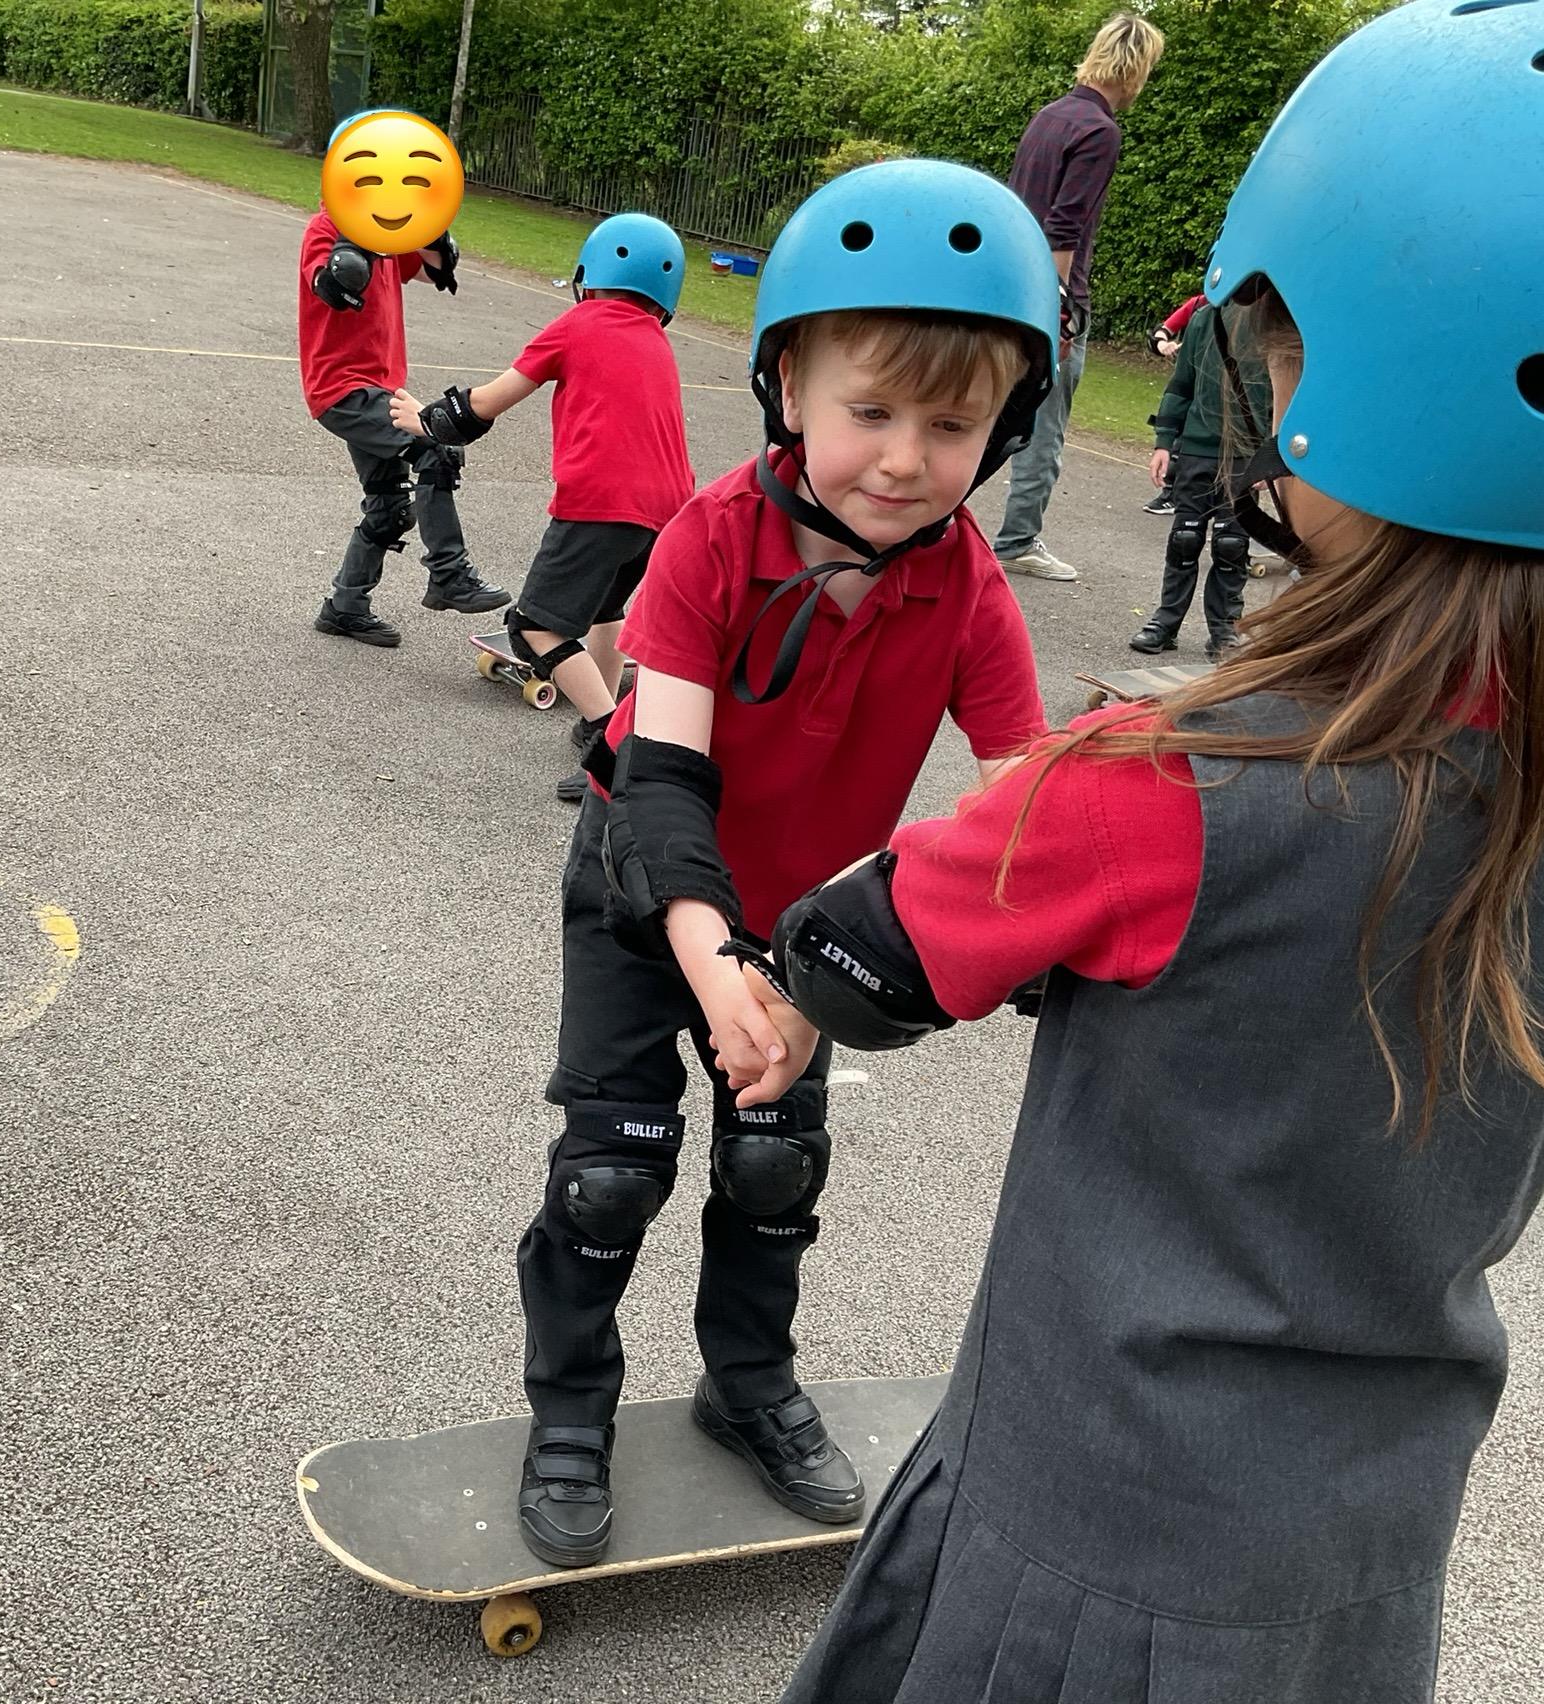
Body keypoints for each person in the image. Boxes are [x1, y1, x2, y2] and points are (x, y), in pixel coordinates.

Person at [736, 3, 1544, 1697]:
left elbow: (857, 959)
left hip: (1080, 1545)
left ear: (1336, 376)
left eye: (1273, 351)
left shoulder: (1168, 781)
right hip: (1354, 1568)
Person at [508, 159, 1058, 1571]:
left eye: (951, 425)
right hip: (646, 893)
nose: (904, 459)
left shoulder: (967, 588)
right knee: (610, 1173)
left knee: (772, 1167)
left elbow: (1021, 805)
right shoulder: (710, 540)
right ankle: (570, 1408)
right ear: (788, 388)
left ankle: (746, 1383)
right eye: (870, 412)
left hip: (801, 930)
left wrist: (831, 982)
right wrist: (717, 966)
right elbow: (662, 783)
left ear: (1002, 431)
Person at [393, 214, 695, 802]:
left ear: (588, 276)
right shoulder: (656, 341)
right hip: (667, 509)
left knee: (532, 628)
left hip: (600, 502)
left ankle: (615, 749)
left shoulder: (579, 323)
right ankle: (601, 719)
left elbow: (485, 404)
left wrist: (425, 421)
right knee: (605, 609)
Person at [296, 112, 509, 649]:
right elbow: (330, 281)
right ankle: (449, 574)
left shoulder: (386, 236)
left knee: (390, 505)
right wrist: (351, 254)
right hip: (343, 389)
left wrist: (433, 233)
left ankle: (345, 607)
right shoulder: (327, 229)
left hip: (379, 389)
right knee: (435, 446)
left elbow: (433, 264)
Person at [989, 11, 1166, 582]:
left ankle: (941, 516)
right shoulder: (1100, 131)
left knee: (991, 410)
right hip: (1049, 294)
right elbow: (1064, 227)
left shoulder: (1050, 116)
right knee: (1044, 426)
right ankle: (1018, 540)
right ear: (1136, 69)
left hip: (1010, 288)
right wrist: (1060, 309)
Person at [1130, 292, 1268, 657]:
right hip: (1196, 448)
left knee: (1231, 545)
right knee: (1184, 539)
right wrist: (1164, 443)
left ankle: (1225, 629)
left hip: (1244, 453)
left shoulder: (1276, 324)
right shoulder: (1205, 319)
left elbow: (1283, 397)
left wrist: (1270, 458)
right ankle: (1165, 622)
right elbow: (1181, 384)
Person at [1140, 291, 1206, 515]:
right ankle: (1172, 495)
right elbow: (1160, 332)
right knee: (1179, 436)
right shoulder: (1198, 304)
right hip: (1190, 383)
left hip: (1225, 387)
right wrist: (1163, 344)